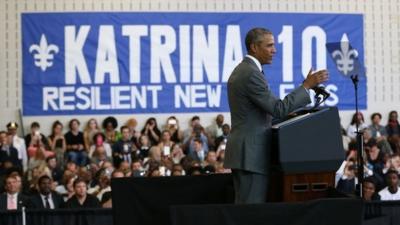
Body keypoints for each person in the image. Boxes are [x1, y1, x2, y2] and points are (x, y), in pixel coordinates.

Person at [224, 27, 328, 204]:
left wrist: (290, 117)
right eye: (269, 45)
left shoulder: (245, 70)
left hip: (246, 153)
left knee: (246, 210)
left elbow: (258, 113)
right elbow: (278, 108)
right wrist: (307, 86)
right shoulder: (250, 74)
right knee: (250, 213)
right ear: (254, 47)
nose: (274, 50)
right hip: (250, 155)